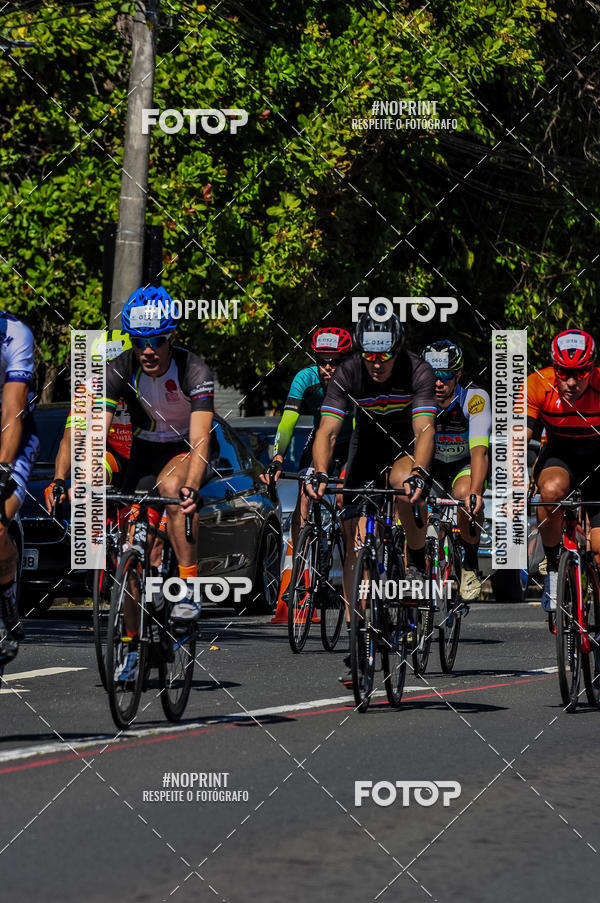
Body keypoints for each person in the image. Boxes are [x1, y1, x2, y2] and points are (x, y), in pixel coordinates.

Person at [306, 305, 436, 677]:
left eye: (384, 355)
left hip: (402, 447)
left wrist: (420, 473)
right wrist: (319, 472)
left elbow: (425, 430)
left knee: (402, 484)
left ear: (398, 348)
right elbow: (328, 431)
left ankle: (414, 558)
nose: (376, 363)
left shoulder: (418, 370)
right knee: (354, 538)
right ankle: (357, 634)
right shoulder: (348, 371)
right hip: (364, 450)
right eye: (369, 355)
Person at [104, 286, 215, 680]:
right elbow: (95, 431)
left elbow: (202, 439)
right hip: (144, 452)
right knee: (132, 551)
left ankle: (187, 587)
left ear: (173, 338)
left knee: (173, 490)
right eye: (139, 342)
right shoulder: (119, 368)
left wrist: (193, 487)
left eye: (157, 341)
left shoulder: (193, 370)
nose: (148, 350)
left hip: (187, 448)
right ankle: (132, 643)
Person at [526, 328, 600, 611]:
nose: (570, 382)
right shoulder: (537, 384)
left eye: (580, 373)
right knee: (551, 490)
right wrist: (514, 481)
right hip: (560, 458)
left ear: (592, 368)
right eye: (563, 372)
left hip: (597, 463)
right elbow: (518, 437)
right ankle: (555, 567)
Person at [261, 326, 354, 549]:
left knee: (343, 498)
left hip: (351, 442)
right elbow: (288, 421)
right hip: (321, 441)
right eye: (322, 361)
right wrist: (278, 457)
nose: (328, 367)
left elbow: (358, 424)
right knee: (304, 493)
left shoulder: (355, 381)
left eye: (335, 361)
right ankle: (300, 563)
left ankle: (351, 554)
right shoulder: (305, 378)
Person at [422, 340, 491, 601]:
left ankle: (470, 566)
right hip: (432, 465)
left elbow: (479, 451)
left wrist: (476, 492)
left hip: (463, 464)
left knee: (465, 497)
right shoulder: (418, 399)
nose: (437, 383)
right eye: (431, 376)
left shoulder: (474, 399)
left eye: (444, 376)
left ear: (458, 375)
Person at [43, 330, 133, 512]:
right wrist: (59, 478)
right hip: (113, 458)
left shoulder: (146, 385)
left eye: (115, 365)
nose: (109, 373)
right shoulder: (89, 390)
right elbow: (71, 439)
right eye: (102, 366)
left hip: (146, 455)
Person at [0, 312, 40, 670]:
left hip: (14, 438)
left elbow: (12, 411)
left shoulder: (14, 334)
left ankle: (7, 596)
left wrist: (1, 470)